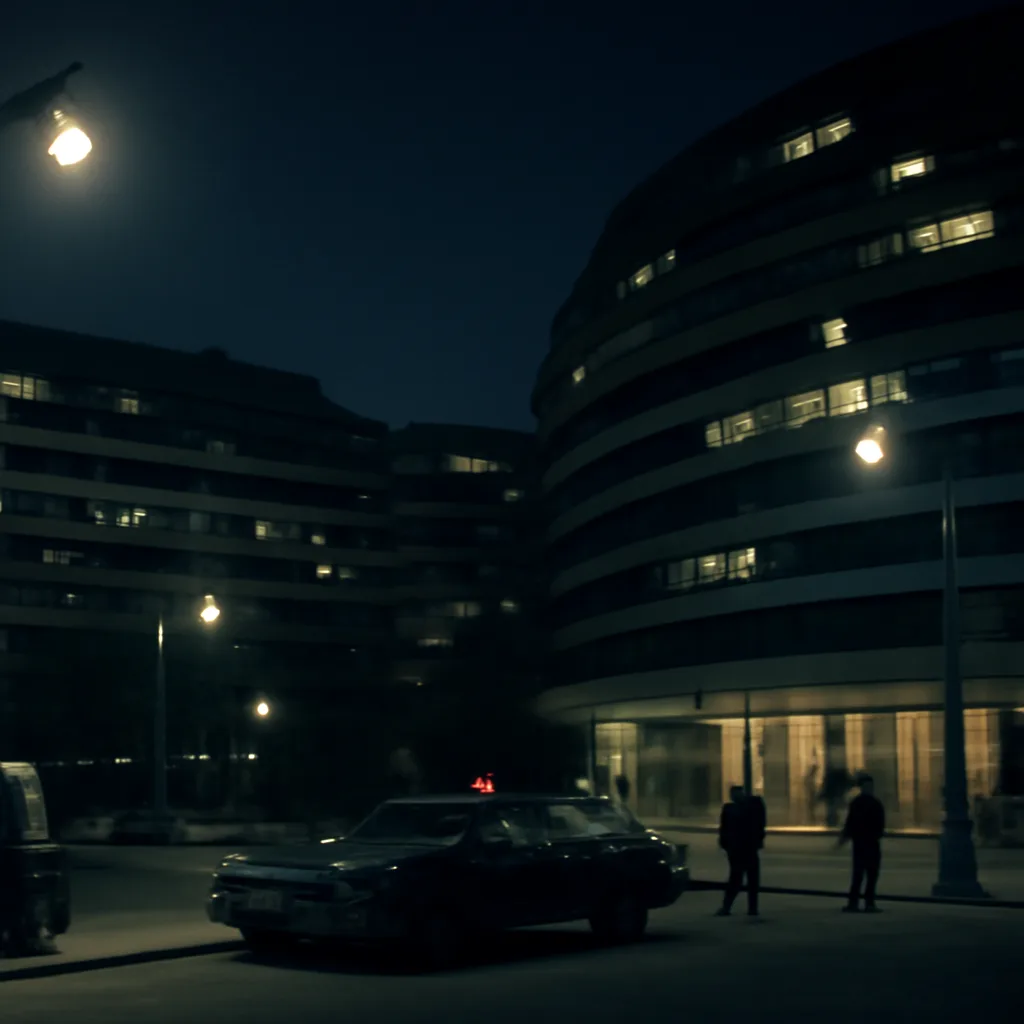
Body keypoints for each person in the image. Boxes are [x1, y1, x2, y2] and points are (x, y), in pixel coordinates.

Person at [715, 785, 767, 917]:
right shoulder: (734, 808)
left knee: (740, 878)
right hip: (741, 848)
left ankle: (734, 907)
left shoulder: (737, 808)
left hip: (742, 848)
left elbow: (724, 830)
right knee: (744, 878)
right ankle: (747, 908)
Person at [838, 773, 885, 912]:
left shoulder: (865, 803)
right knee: (861, 874)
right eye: (867, 786)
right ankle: (863, 903)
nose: (869, 788)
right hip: (864, 843)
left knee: (868, 875)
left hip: (865, 843)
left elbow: (850, 823)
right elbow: (851, 822)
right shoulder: (866, 803)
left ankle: (860, 902)